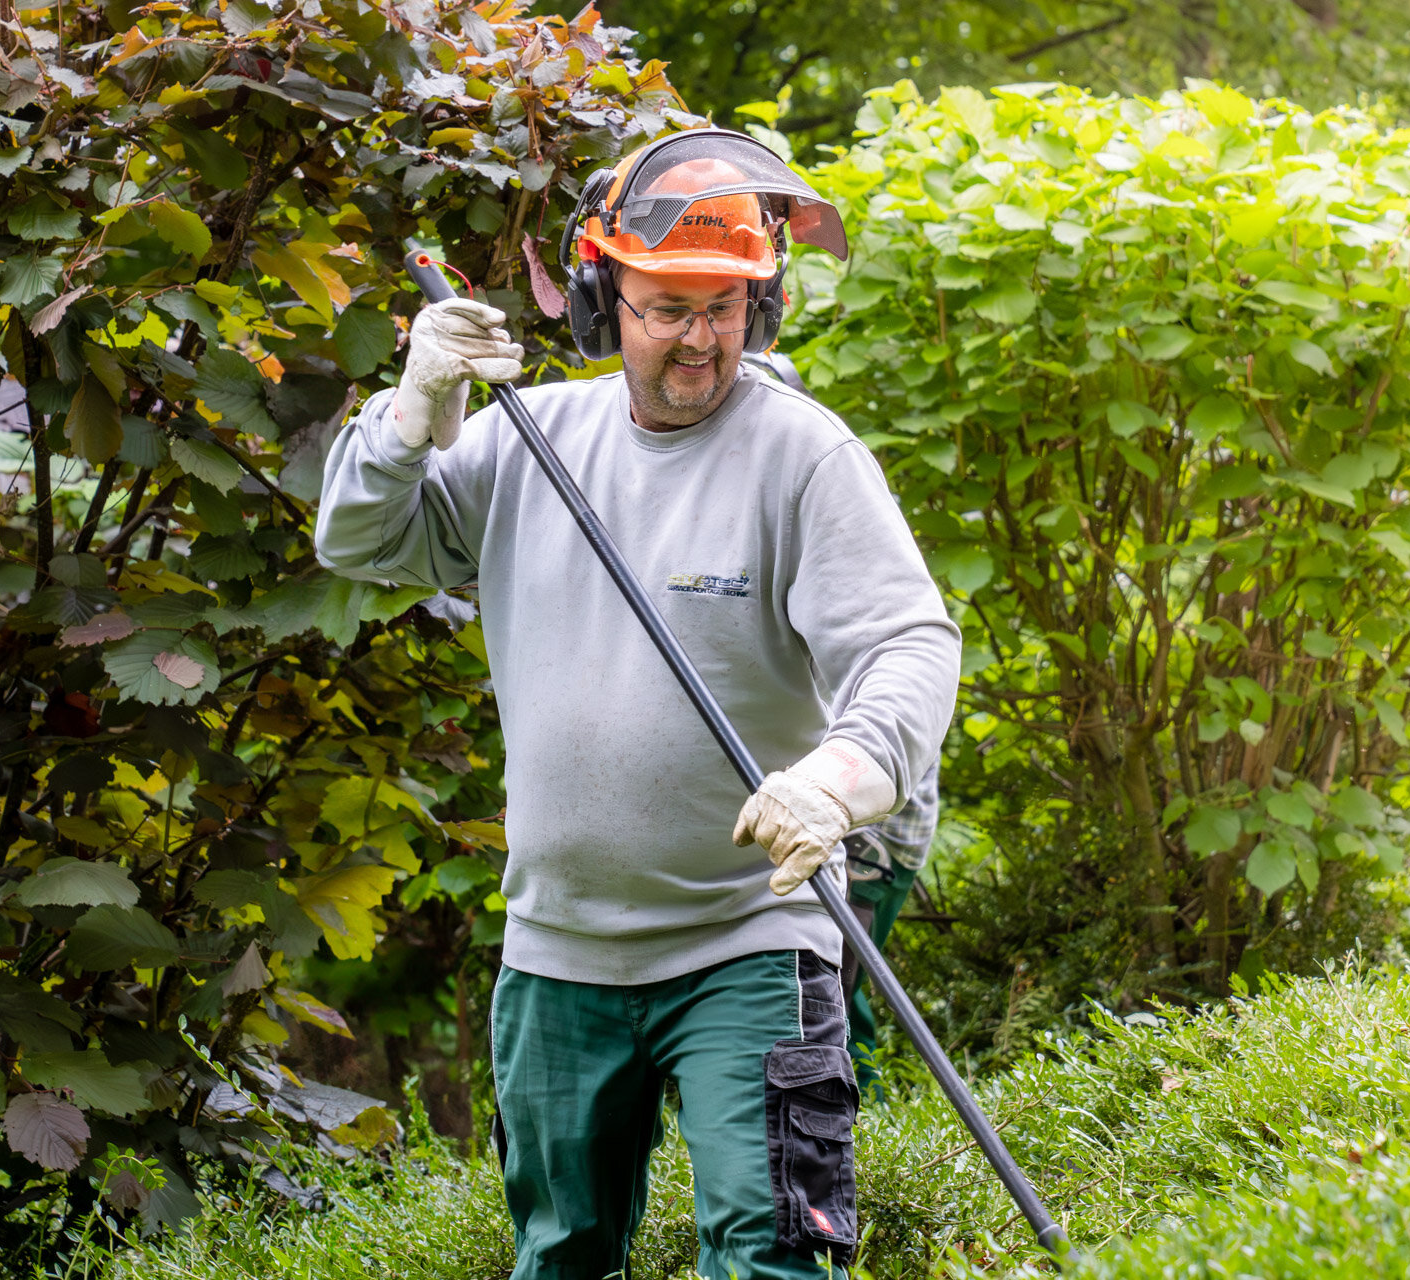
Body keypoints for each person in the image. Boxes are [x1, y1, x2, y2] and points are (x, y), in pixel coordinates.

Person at [314, 128, 960, 1280]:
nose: (698, 340)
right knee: (561, 1253)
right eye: (667, 308)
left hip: (751, 935)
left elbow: (908, 643)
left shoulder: (803, 456)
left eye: (725, 308)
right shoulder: (531, 440)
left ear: (760, 309)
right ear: (606, 298)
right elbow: (360, 539)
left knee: (771, 1251)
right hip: (558, 945)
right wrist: (412, 408)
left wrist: (838, 776)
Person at [742, 352, 942, 1097]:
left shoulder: (828, 510)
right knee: (831, 990)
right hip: (837, 823)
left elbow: (874, 684)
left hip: (870, 833)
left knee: (828, 992)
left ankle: (872, 1128)